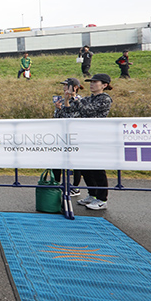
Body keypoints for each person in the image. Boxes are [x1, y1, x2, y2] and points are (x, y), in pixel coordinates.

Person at [56, 73, 113, 210]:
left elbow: (87, 111)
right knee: (85, 168)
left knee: (97, 168)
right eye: (90, 82)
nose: (91, 84)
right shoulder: (87, 99)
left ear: (104, 85)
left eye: (95, 82)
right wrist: (66, 100)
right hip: (84, 136)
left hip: (96, 137)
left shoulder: (105, 99)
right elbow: (71, 113)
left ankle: (102, 199)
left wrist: (75, 98)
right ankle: (92, 194)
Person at [53, 78, 83, 195]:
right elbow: (57, 118)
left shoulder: (79, 100)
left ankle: (75, 186)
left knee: (75, 162)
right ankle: (57, 183)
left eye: (67, 85)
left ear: (74, 87)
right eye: (64, 85)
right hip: (62, 134)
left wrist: (68, 101)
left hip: (75, 134)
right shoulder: (61, 99)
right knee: (57, 161)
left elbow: (73, 116)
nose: (64, 87)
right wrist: (59, 109)